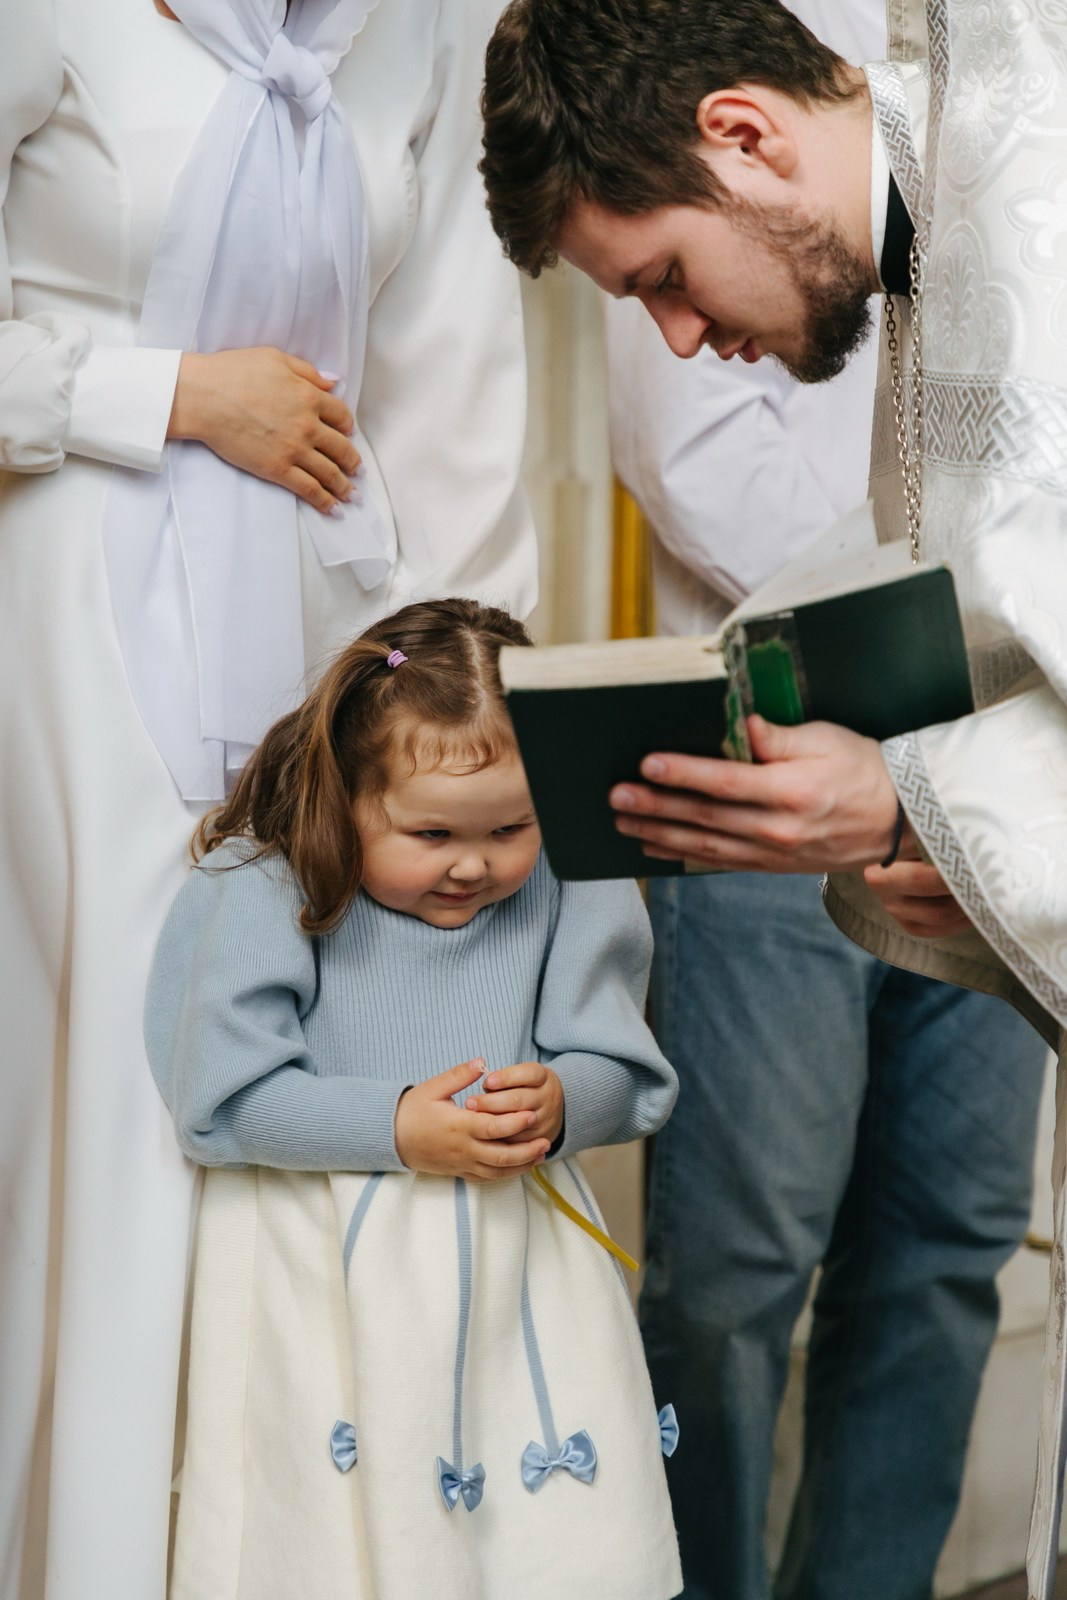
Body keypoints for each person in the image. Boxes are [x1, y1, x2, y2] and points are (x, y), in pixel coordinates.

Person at [480, 1, 1067, 1591]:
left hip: (869, 766)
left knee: (936, 1253)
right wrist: (921, 806)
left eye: (664, 278)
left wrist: (905, 803)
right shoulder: (938, 196)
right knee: (732, 1270)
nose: (670, 339)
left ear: (740, 135)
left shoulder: (1024, 197)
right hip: (826, 761)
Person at [1, 4, 535, 1598]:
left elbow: (453, 382)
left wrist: (460, 720)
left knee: (304, 1120)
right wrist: (157, 391)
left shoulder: (413, 29)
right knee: (113, 1128)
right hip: (65, 642)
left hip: (329, 657)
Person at [144, 596, 682, 1600]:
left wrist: (562, 1100)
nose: (473, 863)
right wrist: (398, 1126)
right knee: (339, 1547)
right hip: (324, 1274)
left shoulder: (570, 873)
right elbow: (220, 1101)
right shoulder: (263, 882)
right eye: (430, 831)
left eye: (508, 828)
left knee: (528, 1551)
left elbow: (625, 1069)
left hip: (516, 1273)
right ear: (349, 793)